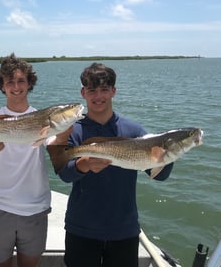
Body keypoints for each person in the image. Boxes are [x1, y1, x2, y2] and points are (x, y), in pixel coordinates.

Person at [58, 62, 174, 267]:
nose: (98, 96)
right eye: (92, 90)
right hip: (81, 227)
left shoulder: (134, 131)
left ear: (113, 91)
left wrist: (170, 153)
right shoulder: (73, 131)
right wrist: (83, 165)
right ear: (83, 93)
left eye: (104, 90)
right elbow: (65, 174)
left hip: (124, 229)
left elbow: (159, 175)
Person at [0, 53, 70, 267]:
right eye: (10, 81)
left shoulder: (43, 117)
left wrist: (65, 129)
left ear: (29, 84)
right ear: (2, 86)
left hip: (35, 208)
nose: (16, 86)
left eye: (21, 81)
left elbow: (55, 145)